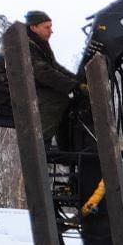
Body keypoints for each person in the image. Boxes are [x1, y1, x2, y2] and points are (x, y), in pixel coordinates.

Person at [23, 10, 78, 147]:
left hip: (30, 88)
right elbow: (42, 71)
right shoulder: (27, 45)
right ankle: (40, 144)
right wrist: (73, 86)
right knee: (58, 99)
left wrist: (77, 80)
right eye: (47, 27)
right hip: (18, 90)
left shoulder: (38, 43)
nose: (51, 31)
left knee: (67, 100)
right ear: (33, 27)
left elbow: (55, 68)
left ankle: (66, 146)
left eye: (51, 27)